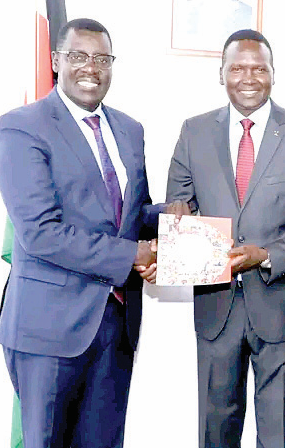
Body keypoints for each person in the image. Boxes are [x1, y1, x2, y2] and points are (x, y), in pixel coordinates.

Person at [0, 18, 183, 448]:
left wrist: (173, 217)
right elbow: (40, 232)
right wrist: (132, 257)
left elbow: (129, 213)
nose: (91, 68)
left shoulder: (130, 129)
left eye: (102, 58)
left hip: (116, 323)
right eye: (79, 56)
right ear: (56, 61)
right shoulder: (21, 127)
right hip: (48, 327)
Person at [166, 29, 285, 448]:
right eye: (237, 68)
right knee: (215, 430)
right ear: (220, 73)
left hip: (280, 305)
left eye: (259, 68)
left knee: (277, 433)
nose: (248, 77)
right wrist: (176, 229)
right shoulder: (194, 131)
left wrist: (266, 255)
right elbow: (177, 205)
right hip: (215, 307)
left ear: (273, 74)